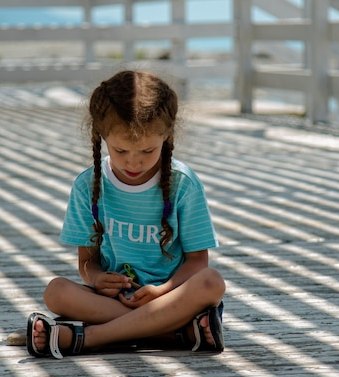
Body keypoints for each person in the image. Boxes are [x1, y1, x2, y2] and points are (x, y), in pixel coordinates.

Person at [26, 70, 226, 359]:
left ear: (167, 135)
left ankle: (90, 337)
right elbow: (87, 262)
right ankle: (178, 334)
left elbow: (198, 261)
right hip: (116, 301)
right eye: (121, 150)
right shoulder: (88, 186)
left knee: (212, 282)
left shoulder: (182, 183)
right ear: (101, 135)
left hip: (173, 298)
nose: (134, 162)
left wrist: (163, 291)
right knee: (55, 292)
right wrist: (97, 280)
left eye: (147, 150)